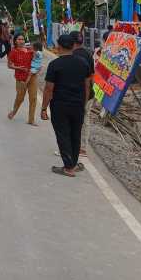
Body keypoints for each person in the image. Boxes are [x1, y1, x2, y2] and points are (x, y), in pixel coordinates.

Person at [41, 34, 93, 177]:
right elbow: (87, 85)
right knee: (75, 134)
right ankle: (73, 163)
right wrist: (83, 103)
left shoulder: (55, 65)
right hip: (78, 105)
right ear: (73, 45)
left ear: (59, 47)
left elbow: (48, 88)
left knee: (63, 135)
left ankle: (68, 167)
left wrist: (44, 108)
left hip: (60, 106)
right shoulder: (83, 63)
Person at [71, 30, 97, 157]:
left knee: (73, 121)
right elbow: (92, 75)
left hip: (78, 94)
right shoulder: (88, 53)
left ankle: (72, 148)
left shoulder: (72, 55)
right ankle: (83, 148)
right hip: (90, 93)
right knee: (85, 120)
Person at [7, 34, 36, 125]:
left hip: (32, 77)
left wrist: (35, 53)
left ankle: (31, 120)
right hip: (20, 78)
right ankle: (14, 111)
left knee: (33, 98)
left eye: (22, 39)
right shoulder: (13, 52)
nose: (21, 41)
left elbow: (36, 59)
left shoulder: (29, 50)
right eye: (19, 39)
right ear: (15, 41)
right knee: (20, 98)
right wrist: (19, 68)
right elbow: (9, 65)